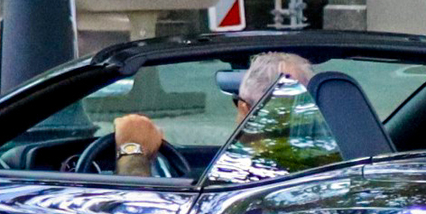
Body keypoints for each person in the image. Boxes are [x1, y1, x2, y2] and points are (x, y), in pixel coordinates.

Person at [111, 50, 311, 177]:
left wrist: (132, 151)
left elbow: (135, 210)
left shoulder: (239, 176)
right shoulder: (330, 165)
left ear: (245, 110)